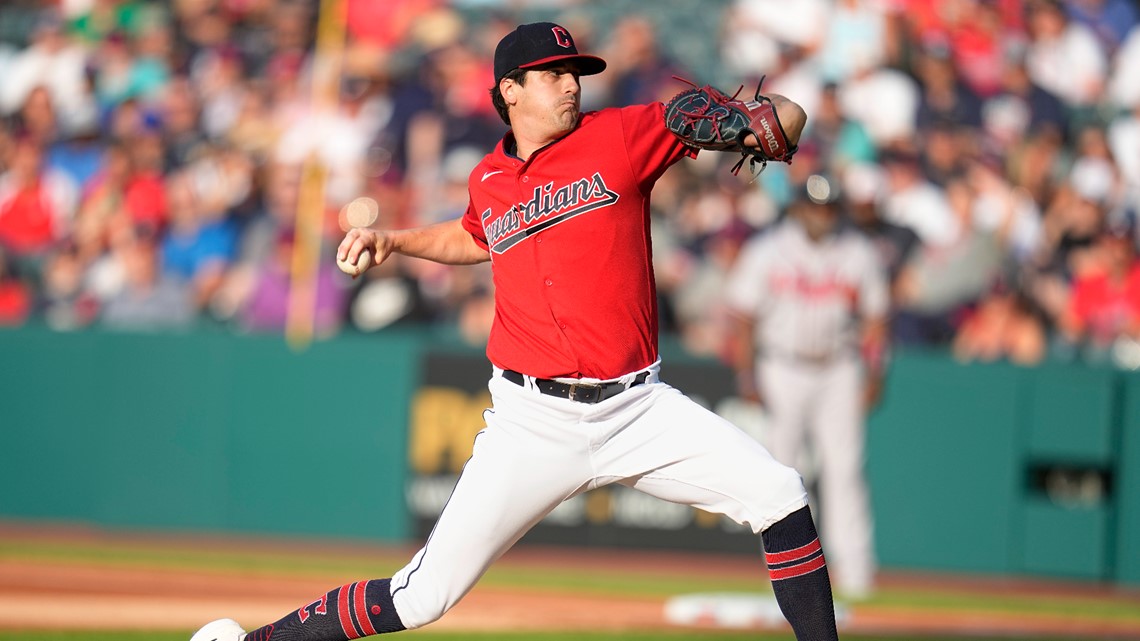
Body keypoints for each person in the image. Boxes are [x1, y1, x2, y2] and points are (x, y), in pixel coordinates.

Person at [192, 21, 841, 641]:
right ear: (509, 90)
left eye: (575, 71)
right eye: (552, 73)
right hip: (531, 421)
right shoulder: (489, 179)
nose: (570, 84)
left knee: (779, 491)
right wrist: (394, 238)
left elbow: (787, 118)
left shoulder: (623, 134)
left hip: (637, 407)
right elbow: (474, 235)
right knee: (421, 596)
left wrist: (757, 119)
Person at [726, 174, 890, 599]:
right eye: (814, 207)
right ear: (798, 208)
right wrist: (746, 373)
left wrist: (875, 373)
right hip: (783, 364)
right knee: (784, 471)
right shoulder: (769, 249)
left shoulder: (857, 251)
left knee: (845, 468)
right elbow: (744, 317)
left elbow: (875, 320)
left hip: (839, 366)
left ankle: (855, 575)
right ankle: (791, 572)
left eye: (828, 207)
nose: (822, 215)